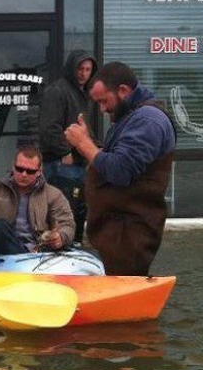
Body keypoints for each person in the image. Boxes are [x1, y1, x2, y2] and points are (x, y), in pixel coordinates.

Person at [64, 61, 176, 276]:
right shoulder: (132, 118)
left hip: (129, 235)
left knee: (124, 302)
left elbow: (121, 170)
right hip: (119, 232)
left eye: (104, 101)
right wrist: (89, 142)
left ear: (123, 90)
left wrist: (83, 144)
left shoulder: (148, 120)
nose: (102, 109)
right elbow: (113, 160)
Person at [38, 50, 98, 244]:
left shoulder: (82, 94)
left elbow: (85, 129)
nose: (84, 73)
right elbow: (48, 129)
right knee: (64, 212)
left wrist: (96, 149)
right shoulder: (57, 91)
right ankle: (62, 252)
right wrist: (65, 152)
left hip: (77, 164)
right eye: (80, 68)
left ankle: (73, 249)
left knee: (78, 210)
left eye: (88, 69)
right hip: (60, 165)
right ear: (72, 68)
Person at [0, 145, 75, 254]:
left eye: (30, 171)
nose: (23, 174)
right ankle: (21, 256)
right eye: (19, 169)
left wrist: (60, 237)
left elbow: (67, 224)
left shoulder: (53, 194)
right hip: (1, 248)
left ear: (39, 171)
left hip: (38, 250)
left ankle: (23, 256)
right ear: (13, 166)